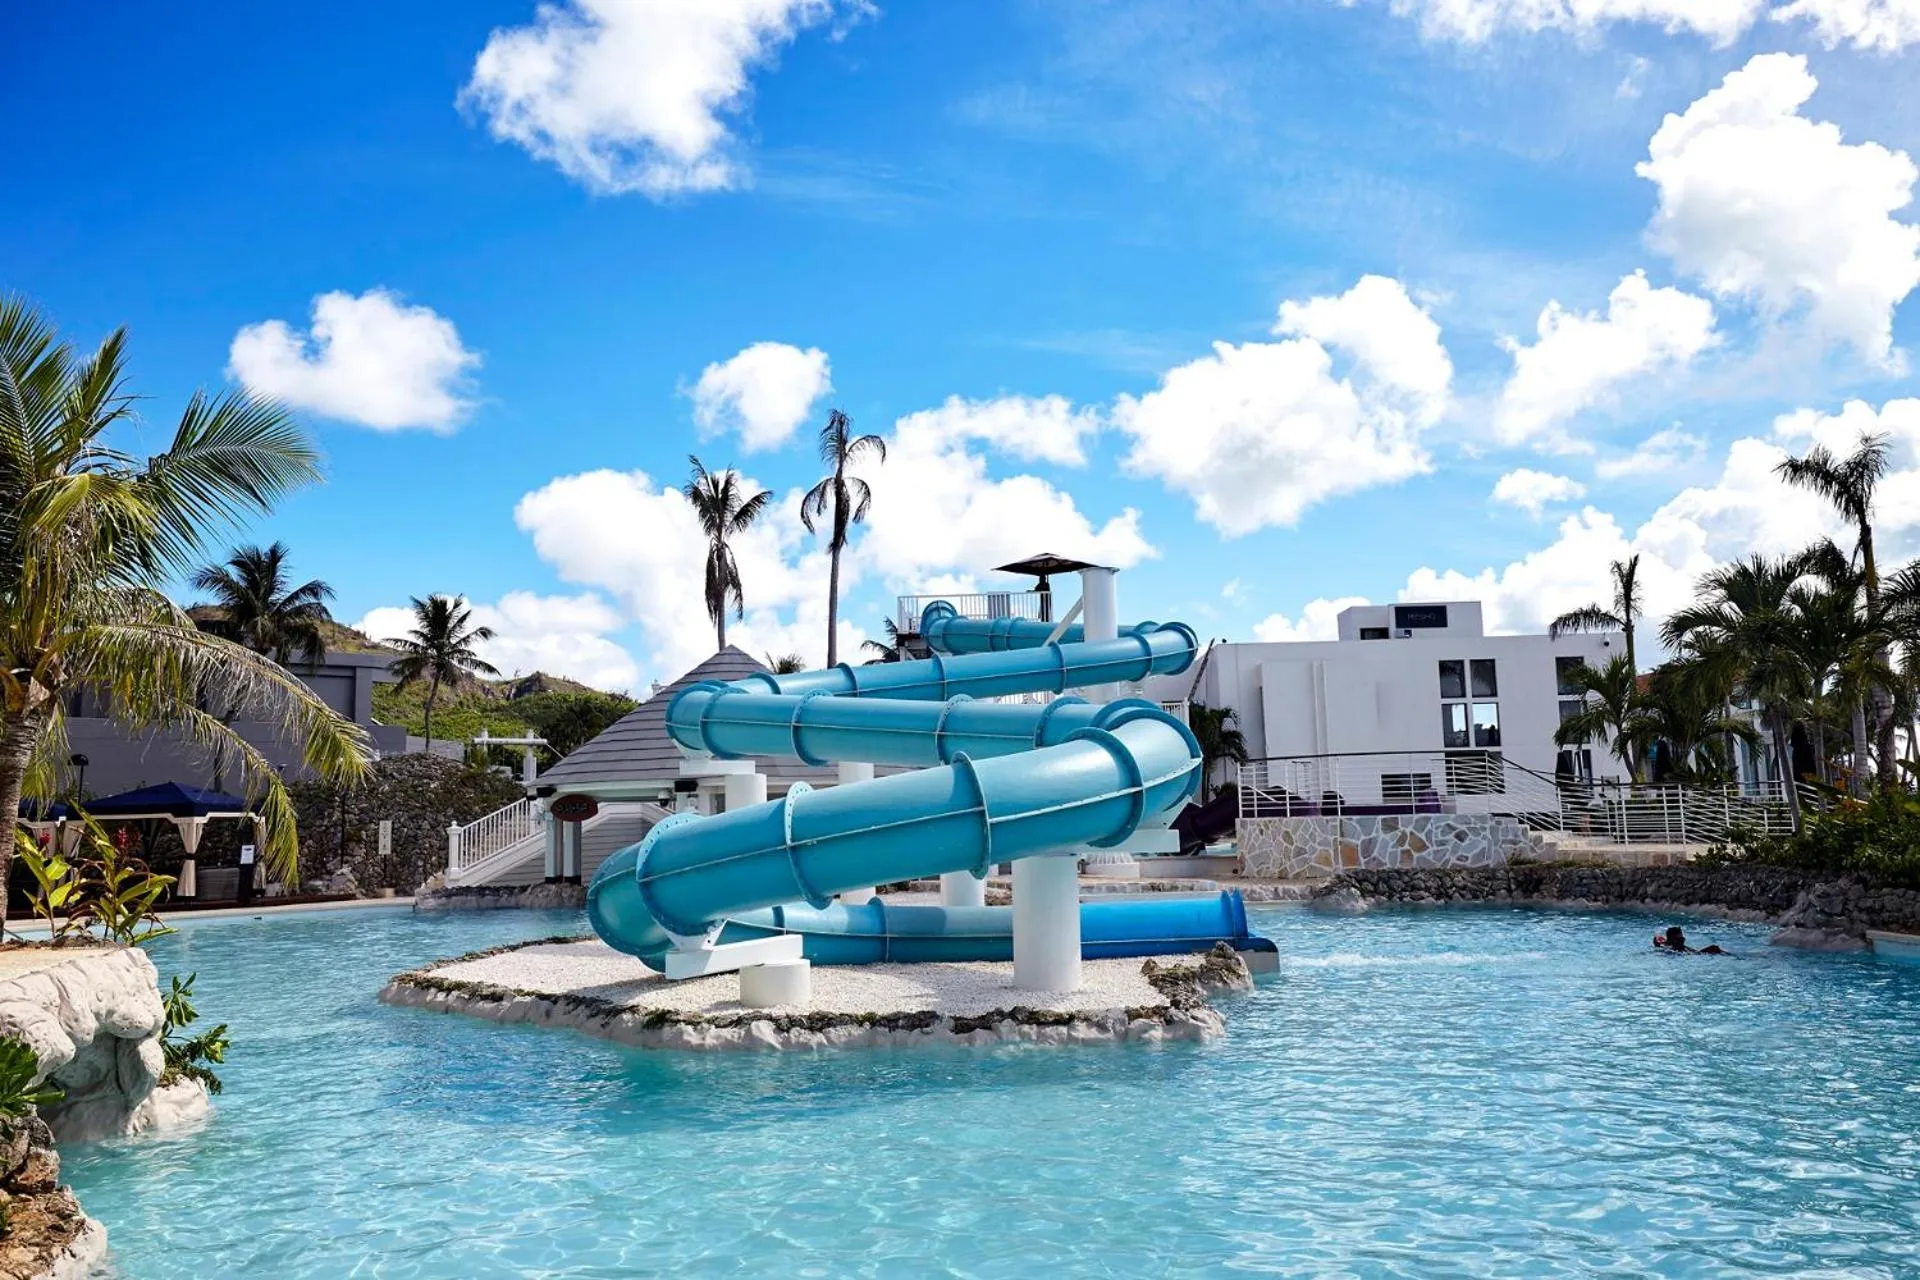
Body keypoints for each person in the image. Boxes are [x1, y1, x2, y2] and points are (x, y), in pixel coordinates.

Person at [1653, 925, 1726, 955]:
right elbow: (1657, 939)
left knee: (1714, 948)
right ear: (1673, 938)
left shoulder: (1670, 944)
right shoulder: (1669, 946)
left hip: (1694, 953)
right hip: (1693, 955)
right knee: (1714, 948)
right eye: (1680, 938)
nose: (1683, 939)